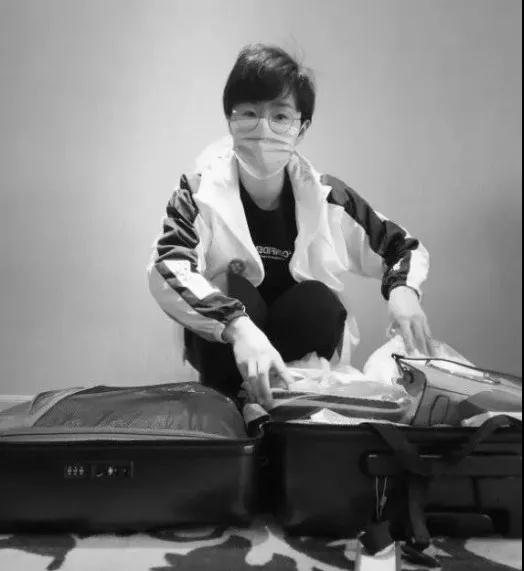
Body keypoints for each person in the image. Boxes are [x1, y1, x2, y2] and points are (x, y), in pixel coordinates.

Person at [148, 43, 432, 408]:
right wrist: (238, 326)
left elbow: (400, 247)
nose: (263, 128)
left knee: (317, 300)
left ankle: (291, 410)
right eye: (249, 113)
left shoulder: (329, 197)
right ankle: (233, 408)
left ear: (302, 127)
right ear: (230, 120)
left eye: (280, 116)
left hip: (301, 360)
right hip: (227, 354)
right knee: (235, 291)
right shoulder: (198, 192)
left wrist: (402, 292)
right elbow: (169, 266)